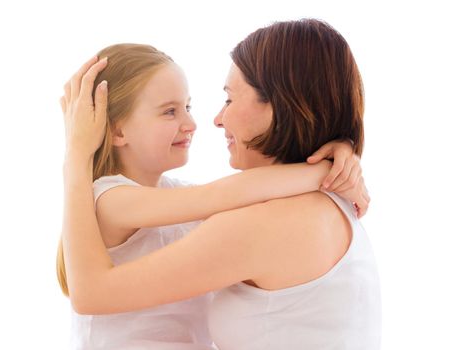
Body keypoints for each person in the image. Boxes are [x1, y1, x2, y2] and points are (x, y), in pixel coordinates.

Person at [60, 18, 379, 349]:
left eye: (228, 99)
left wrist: (335, 165)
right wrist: (326, 169)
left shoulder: (262, 221)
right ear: (118, 131)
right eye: (169, 111)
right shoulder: (111, 197)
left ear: (279, 106)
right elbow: (226, 194)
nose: (207, 121)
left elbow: (229, 195)